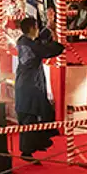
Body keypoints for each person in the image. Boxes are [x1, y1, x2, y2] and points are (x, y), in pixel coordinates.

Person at [15, 16, 63, 160]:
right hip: (31, 85)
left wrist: (49, 28)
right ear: (31, 29)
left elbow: (40, 41)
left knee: (36, 113)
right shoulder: (32, 46)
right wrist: (55, 34)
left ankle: (36, 144)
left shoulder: (23, 42)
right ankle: (28, 151)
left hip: (25, 83)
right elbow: (51, 49)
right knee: (31, 116)